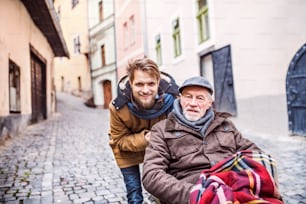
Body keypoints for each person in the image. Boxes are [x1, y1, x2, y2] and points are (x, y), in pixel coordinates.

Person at [142, 76, 271, 204]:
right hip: (192, 194)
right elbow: (152, 175)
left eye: (200, 98)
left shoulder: (226, 126)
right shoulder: (162, 130)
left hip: (233, 189)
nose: (192, 103)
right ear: (180, 99)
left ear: (209, 103)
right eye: (188, 96)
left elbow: (255, 155)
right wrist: (195, 194)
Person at [108, 57, 179, 204]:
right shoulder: (117, 107)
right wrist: (146, 139)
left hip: (161, 150)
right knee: (134, 195)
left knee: (165, 192)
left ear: (158, 83)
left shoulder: (174, 100)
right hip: (127, 153)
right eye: (139, 84)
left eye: (151, 84)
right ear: (131, 84)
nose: (145, 90)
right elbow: (119, 140)